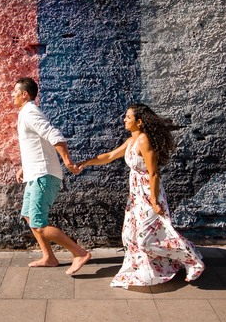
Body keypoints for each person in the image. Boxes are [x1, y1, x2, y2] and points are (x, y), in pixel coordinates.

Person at [71, 103, 204, 287]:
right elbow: (109, 156)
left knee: (147, 238)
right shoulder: (131, 141)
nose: (124, 120)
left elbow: (154, 173)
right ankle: (152, 268)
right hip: (136, 197)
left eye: (128, 117)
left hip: (149, 195)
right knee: (130, 235)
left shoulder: (143, 141)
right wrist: (85, 163)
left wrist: (155, 202)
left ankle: (191, 258)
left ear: (139, 122)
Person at [12, 77, 92, 272]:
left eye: (15, 92)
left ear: (25, 94)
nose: (12, 95)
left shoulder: (30, 112)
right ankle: (49, 257)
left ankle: (79, 253)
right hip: (35, 174)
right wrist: (24, 167)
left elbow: (55, 136)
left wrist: (68, 162)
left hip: (43, 175)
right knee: (29, 216)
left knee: (39, 224)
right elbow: (36, 144)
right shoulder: (26, 113)